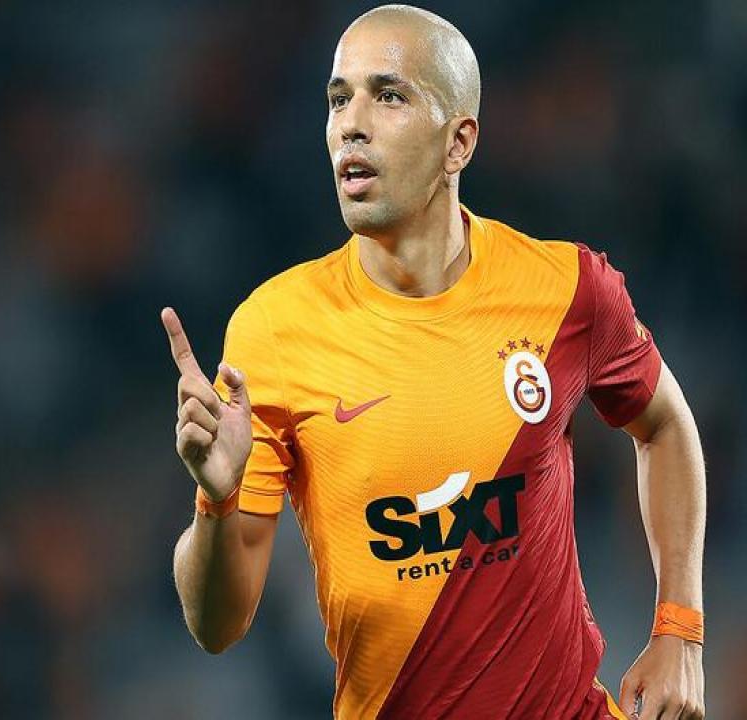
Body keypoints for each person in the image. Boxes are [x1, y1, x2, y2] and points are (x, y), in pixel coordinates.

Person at [162, 5, 706, 719]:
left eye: (388, 95)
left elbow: (665, 425)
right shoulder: (274, 331)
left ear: (459, 143)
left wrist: (679, 629)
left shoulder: (567, 289)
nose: (351, 124)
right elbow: (216, 628)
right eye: (338, 99)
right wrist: (216, 500)